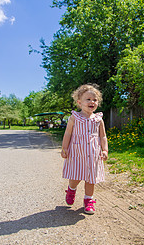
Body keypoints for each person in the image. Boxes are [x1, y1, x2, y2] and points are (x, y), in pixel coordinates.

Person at [61, 84, 108, 214]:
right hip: (77, 153)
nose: (92, 102)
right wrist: (64, 148)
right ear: (79, 102)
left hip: (93, 154)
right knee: (76, 176)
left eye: (95, 100)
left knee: (90, 178)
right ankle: (71, 189)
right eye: (88, 99)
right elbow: (68, 134)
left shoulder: (98, 119)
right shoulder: (75, 118)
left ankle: (89, 200)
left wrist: (105, 150)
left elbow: (103, 136)